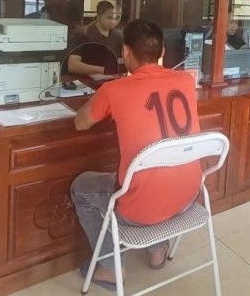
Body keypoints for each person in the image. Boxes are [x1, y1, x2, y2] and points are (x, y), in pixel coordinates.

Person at [70, 19, 202, 290]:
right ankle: (158, 251)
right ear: (162, 51)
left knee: (81, 187)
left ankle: (109, 268)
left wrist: (103, 98)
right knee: (160, 173)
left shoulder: (114, 90)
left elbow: (80, 123)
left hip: (140, 209)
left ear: (126, 52)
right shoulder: (186, 81)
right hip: (189, 196)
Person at [66, 1, 123, 75]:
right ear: (99, 15)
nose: (113, 22)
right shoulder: (83, 34)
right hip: (86, 78)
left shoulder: (119, 36)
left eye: (117, 18)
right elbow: (73, 65)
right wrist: (105, 70)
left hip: (113, 77)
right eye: (109, 17)